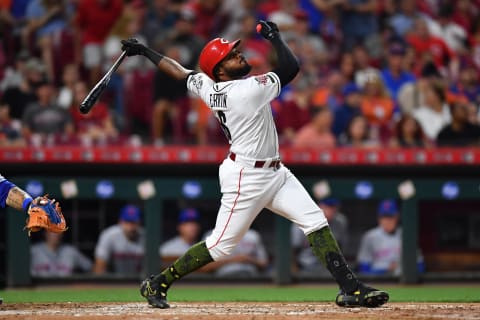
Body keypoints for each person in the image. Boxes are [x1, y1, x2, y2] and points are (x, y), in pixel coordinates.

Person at [120, 20, 389, 309]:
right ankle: (158, 282)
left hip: (276, 172)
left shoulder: (210, 85)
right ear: (221, 71)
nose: (239, 55)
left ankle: (350, 288)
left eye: (235, 51)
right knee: (221, 247)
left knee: (315, 221)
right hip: (245, 176)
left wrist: (146, 51)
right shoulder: (245, 91)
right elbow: (290, 69)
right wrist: (275, 38)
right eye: (231, 56)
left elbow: (181, 72)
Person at [357, 199, 425, 276]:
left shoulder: (406, 235)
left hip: (403, 280)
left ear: (397, 217)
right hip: (378, 280)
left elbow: (420, 265)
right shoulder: (370, 236)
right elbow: (363, 269)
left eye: (390, 217)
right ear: (379, 218)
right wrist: (385, 269)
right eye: (384, 217)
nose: (387, 220)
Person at [291, 198, 348, 275]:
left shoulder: (340, 221)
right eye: (328, 207)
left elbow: (341, 246)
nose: (332, 210)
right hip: (305, 266)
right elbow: (293, 249)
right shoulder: (302, 221)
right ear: (319, 207)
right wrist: (294, 269)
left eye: (334, 207)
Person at [93, 204, 145, 275]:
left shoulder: (147, 237)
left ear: (139, 222)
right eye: (127, 222)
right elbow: (100, 266)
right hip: (114, 282)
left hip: (140, 281)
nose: (130, 226)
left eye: (133, 222)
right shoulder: (109, 235)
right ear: (120, 221)